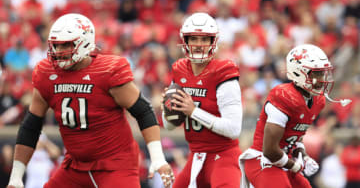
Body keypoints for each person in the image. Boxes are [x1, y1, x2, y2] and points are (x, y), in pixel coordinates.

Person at [7, 13, 174, 188]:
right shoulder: (47, 73)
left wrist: (157, 158)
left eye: (66, 44)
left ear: (85, 43)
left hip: (115, 165)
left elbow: (144, 111)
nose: (59, 51)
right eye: (56, 45)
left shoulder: (107, 71)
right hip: (75, 166)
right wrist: (16, 177)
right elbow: (31, 125)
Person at [240, 44, 346, 188]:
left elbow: (296, 135)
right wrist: (295, 166)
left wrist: (303, 155)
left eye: (322, 72)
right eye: (316, 73)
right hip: (263, 161)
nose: (322, 78)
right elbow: (270, 150)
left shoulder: (317, 100)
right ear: (299, 72)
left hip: (283, 161)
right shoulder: (284, 96)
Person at [161, 12, 243, 187]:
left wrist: (193, 112)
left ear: (213, 42)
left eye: (204, 39)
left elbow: (234, 129)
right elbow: (169, 126)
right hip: (195, 156)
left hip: (223, 157)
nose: (198, 45)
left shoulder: (224, 73)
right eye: (194, 39)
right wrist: (167, 108)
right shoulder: (180, 70)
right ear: (186, 41)